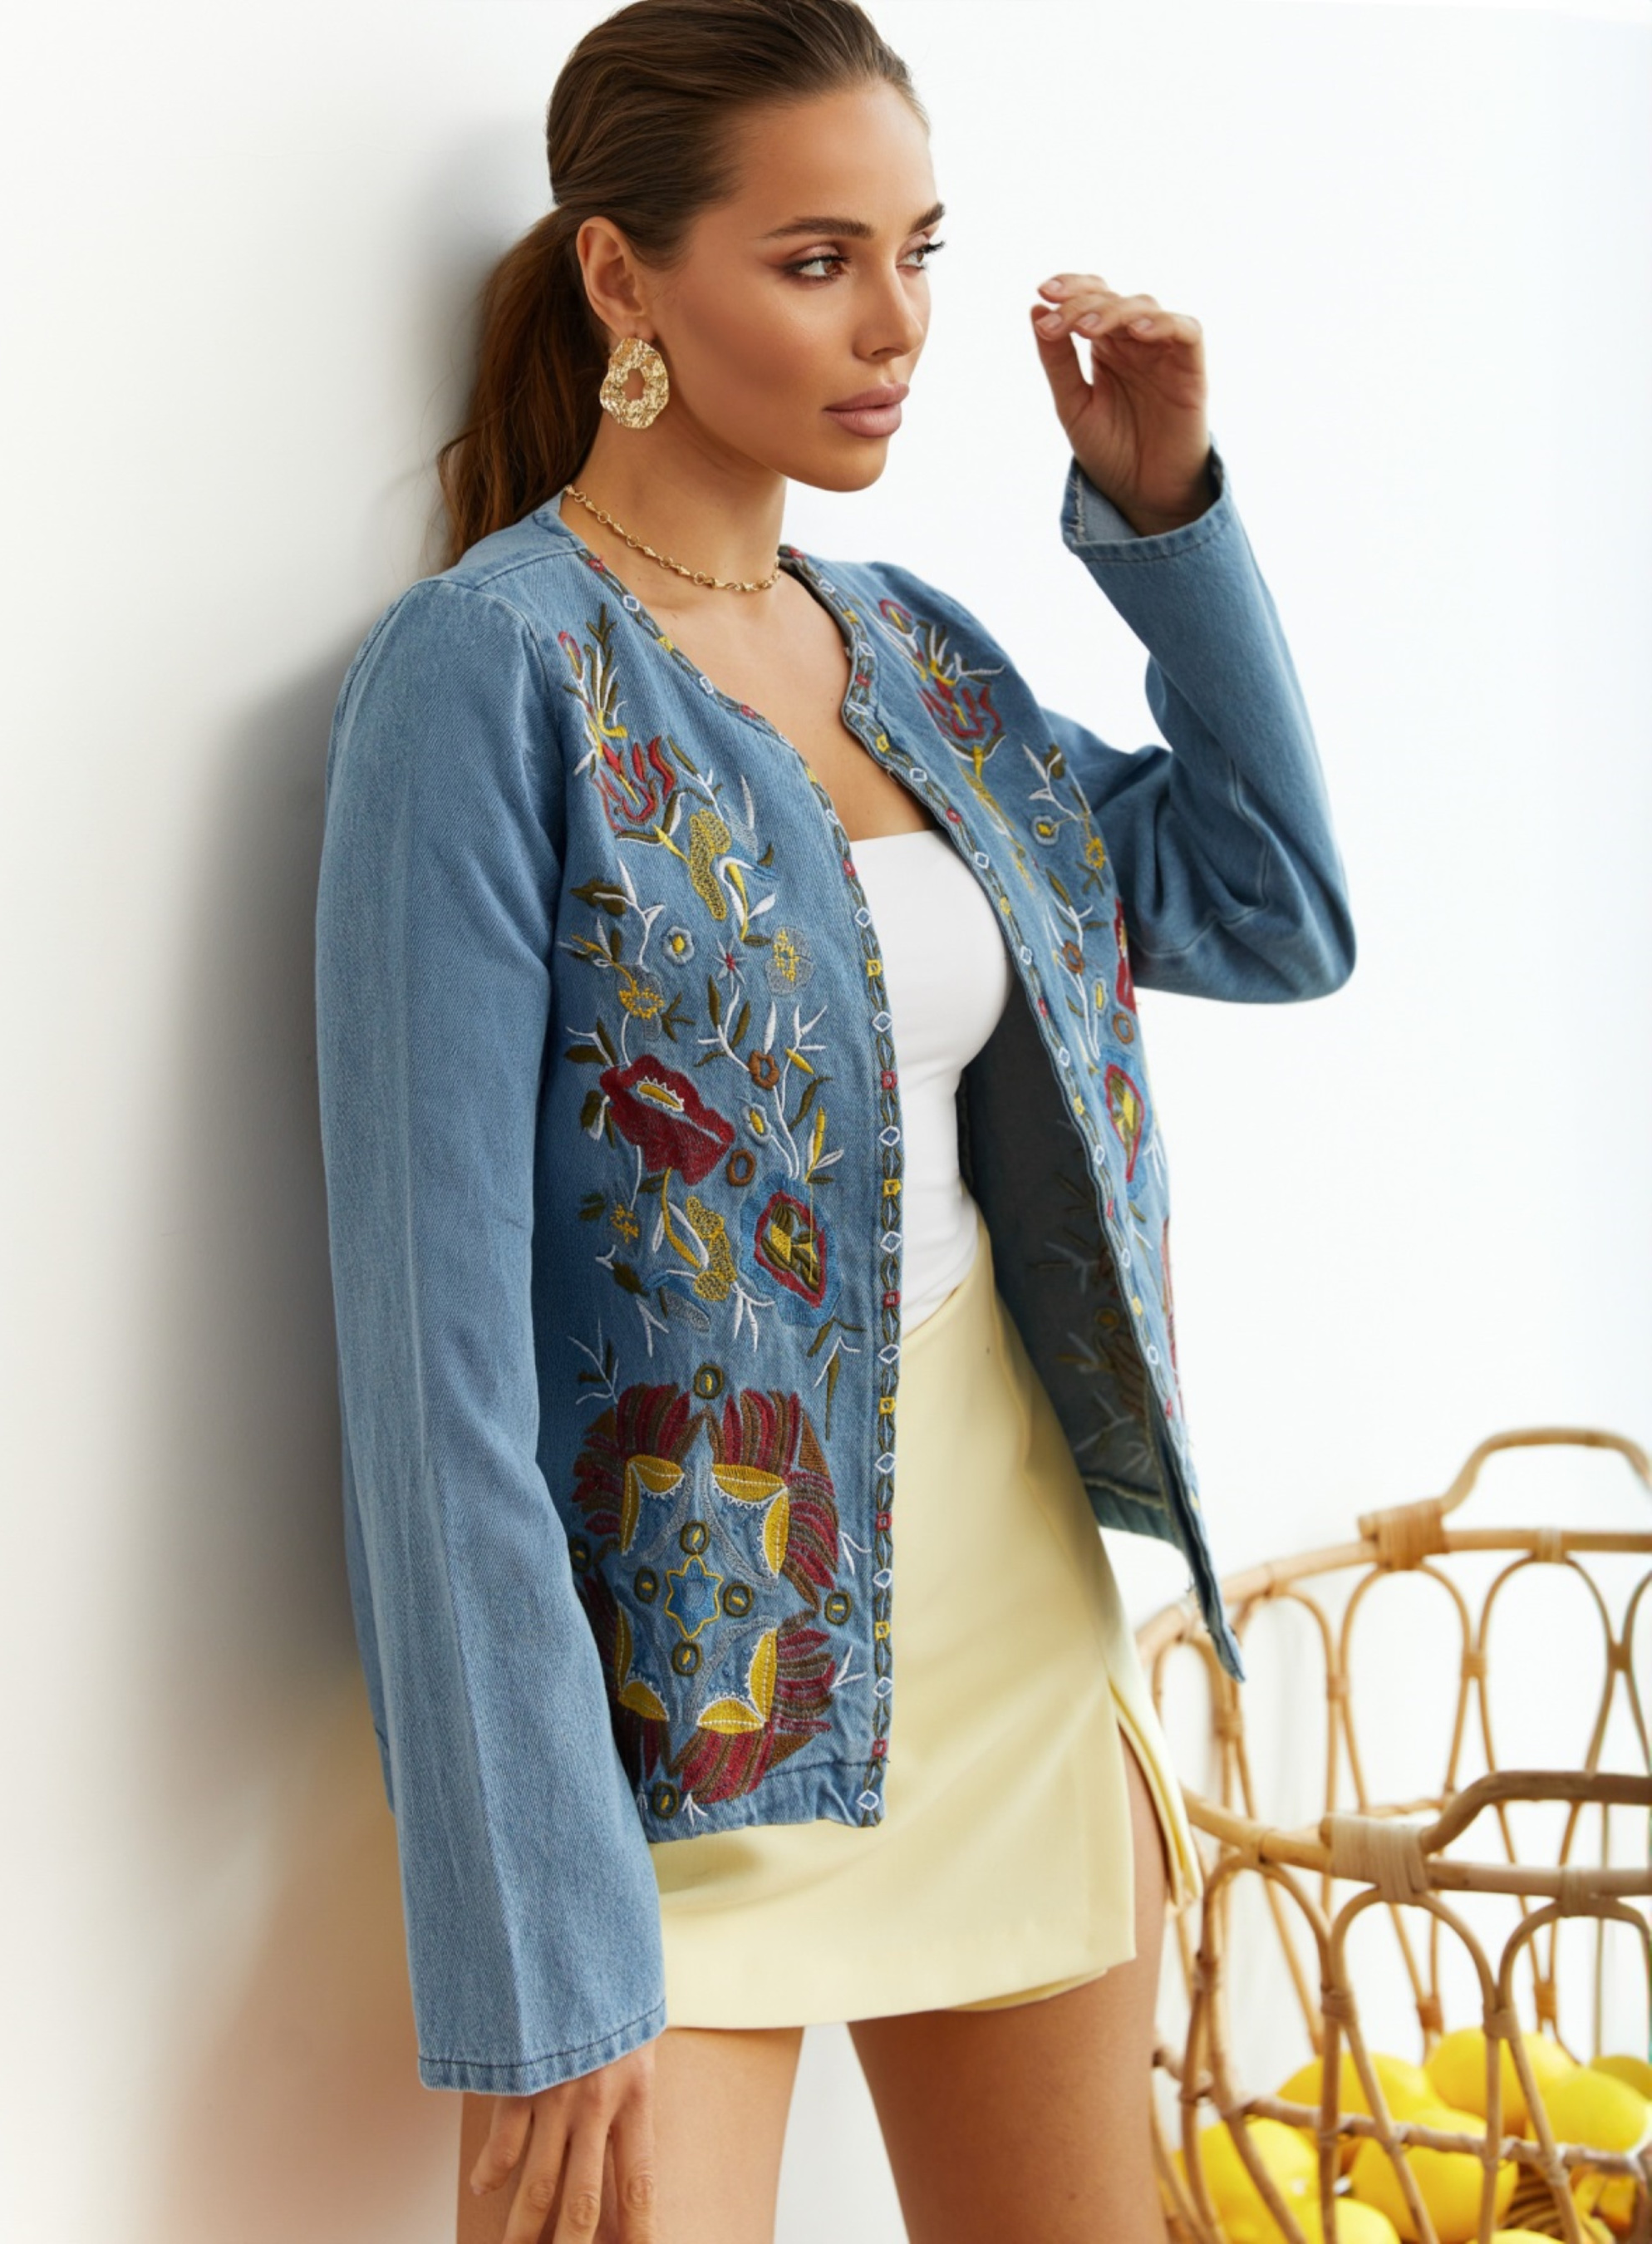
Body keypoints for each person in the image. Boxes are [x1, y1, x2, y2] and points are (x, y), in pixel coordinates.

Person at [312, 2, 1356, 2237]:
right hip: (666, 1737)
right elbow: (434, 1372)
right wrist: (530, 1931)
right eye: (815, 261)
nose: (895, 327)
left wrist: (1162, 514)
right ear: (623, 279)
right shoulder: (490, 674)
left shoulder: (922, 654)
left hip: (1008, 1653)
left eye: (917, 251)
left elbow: (1270, 908)